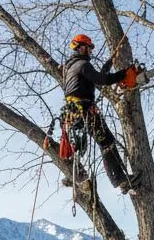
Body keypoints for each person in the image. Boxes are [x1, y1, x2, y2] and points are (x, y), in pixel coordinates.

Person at [59, 33, 138, 194]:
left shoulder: (70, 67)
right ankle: (120, 180)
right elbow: (102, 80)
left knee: (81, 145)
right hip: (85, 110)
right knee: (107, 142)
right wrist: (124, 73)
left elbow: (97, 78)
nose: (90, 51)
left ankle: (73, 175)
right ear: (81, 47)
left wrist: (110, 63)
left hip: (74, 112)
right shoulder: (82, 64)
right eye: (89, 48)